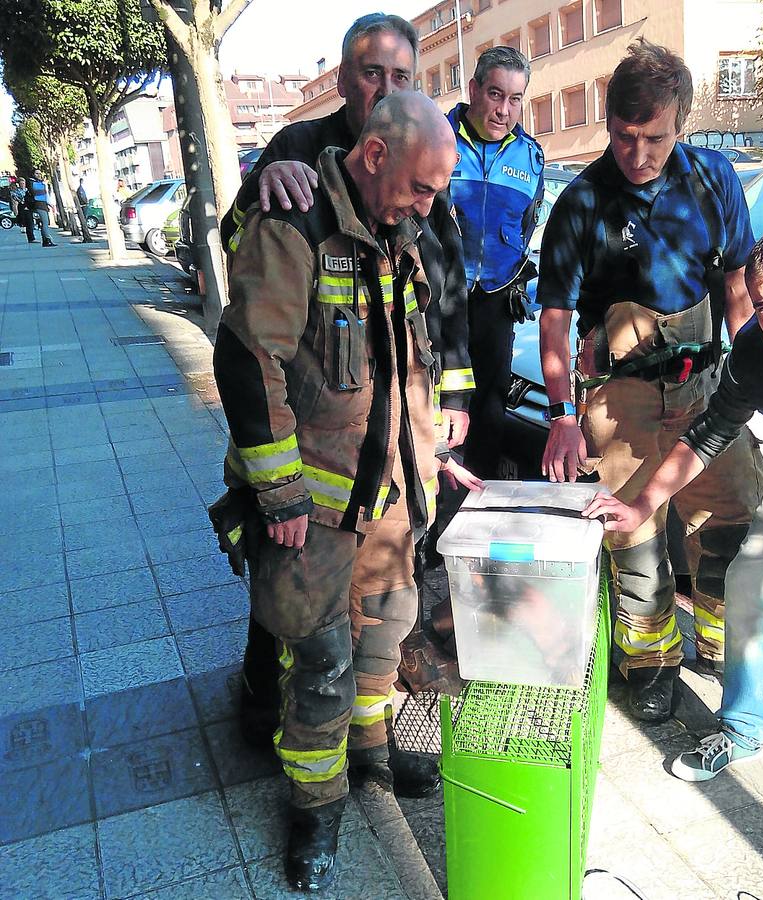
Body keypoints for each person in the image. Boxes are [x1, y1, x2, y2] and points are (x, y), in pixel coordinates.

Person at [212, 92, 460, 890]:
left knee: (383, 637)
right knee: (319, 663)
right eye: (420, 187)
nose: (428, 206)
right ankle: (315, 811)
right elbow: (248, 360)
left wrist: (430, 461)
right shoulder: (295, 225)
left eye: (436, 191)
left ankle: (371, 753)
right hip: (311, 511)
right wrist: (279, 493)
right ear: (375, 155)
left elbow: (410, 364)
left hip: (388, 498)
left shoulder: (401, 233)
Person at [221, 13, 476, 747]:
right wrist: (259, 187)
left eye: (401, 76)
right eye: (372, 73)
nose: (385, 87)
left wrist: (446, 409)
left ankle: (366, 745)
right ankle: (273, 722)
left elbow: (440, 303)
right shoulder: (295, 156)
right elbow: (249, 322)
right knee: (296, 629)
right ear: (343, 79)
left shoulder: (420, 175)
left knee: (379, 616)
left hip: (383, 464)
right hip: (313, 470)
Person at [537, 39, 763, 723]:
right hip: (621, 401)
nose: (636, 154)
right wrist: (561, 415)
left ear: (681, 123)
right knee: (632, 538)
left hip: (707, 389)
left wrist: (751, 378)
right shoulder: (581, 202)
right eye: (622, 136)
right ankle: (650, 665)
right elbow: (554, 318)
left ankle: (720, 645)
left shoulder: (712, 179)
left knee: (731, 518)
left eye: (654, 138)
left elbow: (737, 282)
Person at [583, 223, 763, 779]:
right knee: (748, 580)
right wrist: (641, 506)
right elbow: (709, 433)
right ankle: (742, 729)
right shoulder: (759, 349)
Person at [448, 46, 545, 480]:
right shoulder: (438, 139)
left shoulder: (531, 156)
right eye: (495, 94)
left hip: (497, 296)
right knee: (439, 400)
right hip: (440, 297)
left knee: (489, 406)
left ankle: (479, 494)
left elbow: (527, 225)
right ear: (473, 90)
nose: (504, 110)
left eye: (515, 99)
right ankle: (433, 497)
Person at [24, 174, 56, 247]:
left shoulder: (40, 183)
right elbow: (39, 195)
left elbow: (45, 196)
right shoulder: (35, 183)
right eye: (37, 173)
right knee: (45, 223)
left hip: (43, 205)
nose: (39, 175)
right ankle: (47, 239)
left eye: (39, 173)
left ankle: (45, 240)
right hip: (39, 205)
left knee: (44, 223)